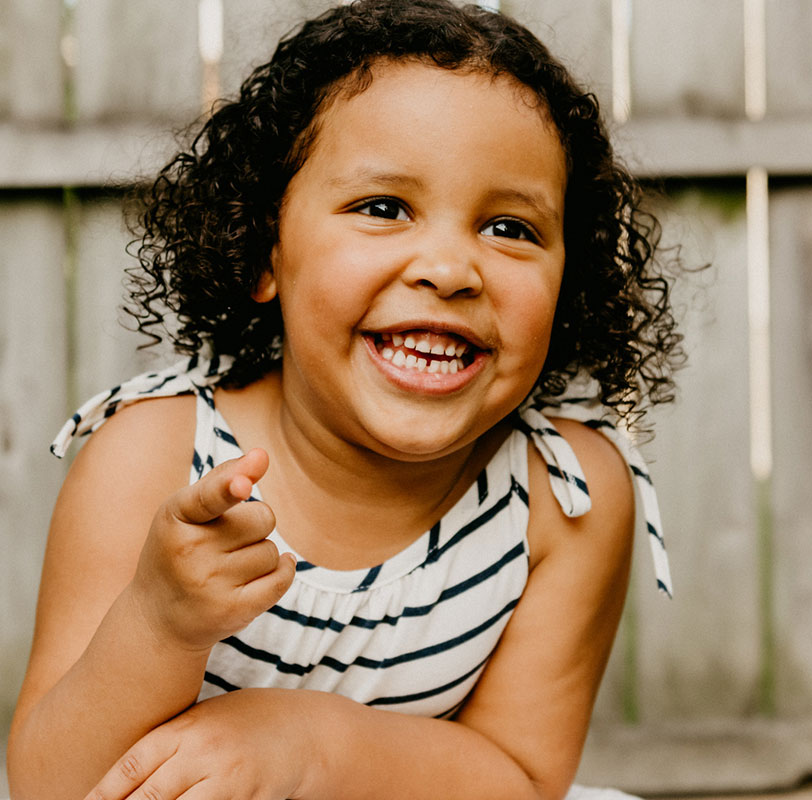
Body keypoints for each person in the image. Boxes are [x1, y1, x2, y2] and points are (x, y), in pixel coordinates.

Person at [5, 1, 684, 797]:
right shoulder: (155, 457)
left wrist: (307, 744)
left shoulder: (564, 494)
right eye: (383, 208)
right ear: (266, 253)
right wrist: (158, 622)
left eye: (509, 228)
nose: (450, 267)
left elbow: (524, 779)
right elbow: (49, 784)